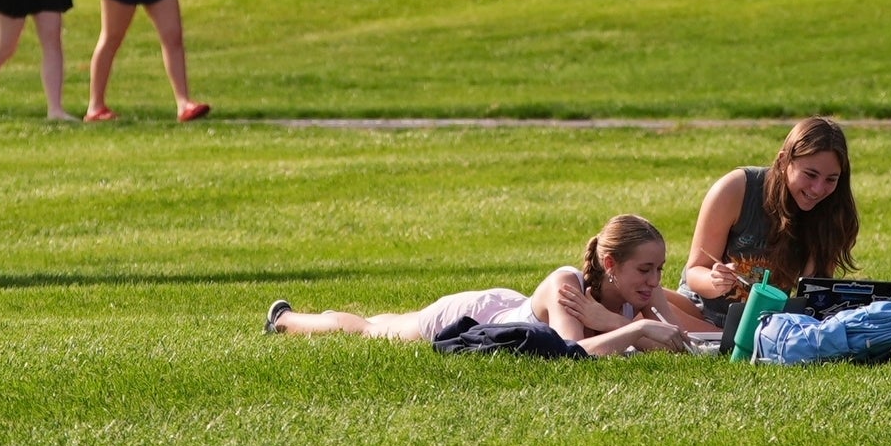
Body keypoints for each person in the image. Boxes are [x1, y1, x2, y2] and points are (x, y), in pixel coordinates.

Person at [267, 215, 701, 355]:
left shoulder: (640, 295)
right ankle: (285, 318)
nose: (655, 280)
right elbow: (569, 355)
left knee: (384, 321)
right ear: (612, 263)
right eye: (646, 269)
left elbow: (697, 338)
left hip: (508, 306)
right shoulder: (565, 284)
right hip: (474, 315)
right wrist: (636, 330)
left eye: (660, 269)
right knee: (371, 330)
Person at [680, 115, 858, 318]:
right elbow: (695, 270)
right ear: (784, 161)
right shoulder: (735, 189)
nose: (818, 189)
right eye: (810, 174)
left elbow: (813, 296)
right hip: (699, 313)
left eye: (831, 179)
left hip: (764, 324)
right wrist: (715, 281)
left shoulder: (832, 212)